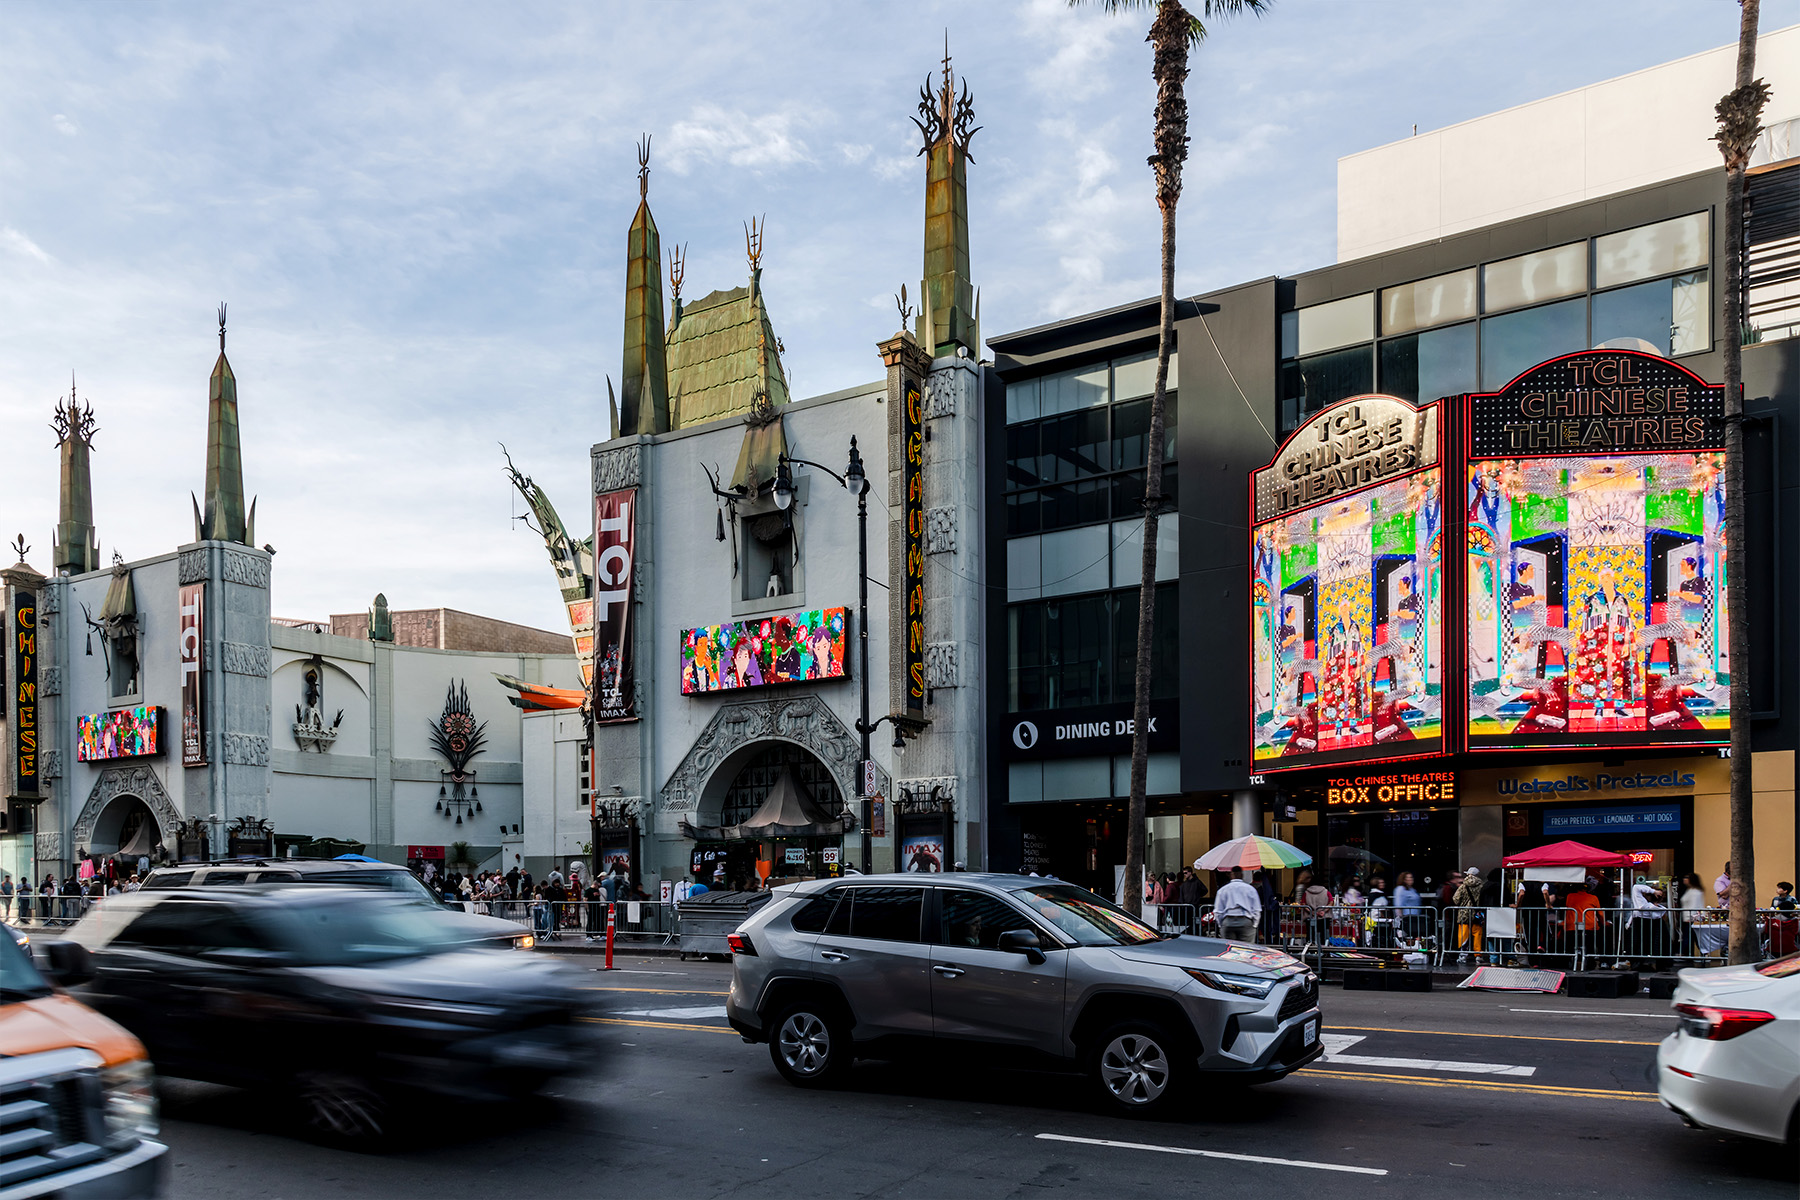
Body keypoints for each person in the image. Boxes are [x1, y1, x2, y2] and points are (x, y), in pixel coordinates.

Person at [1214, 867, 1262, 944]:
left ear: (1231, 875)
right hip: (1245, 920)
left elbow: (1218, 911)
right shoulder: (1250, 889)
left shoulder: (1223, 890)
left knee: (1229, 948)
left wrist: (1221, 924)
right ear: (1242, 875)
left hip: (1228, 920)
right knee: (1247, 948)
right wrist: (1254, 924)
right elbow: (1256, 909)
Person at [1453, 869, 1485, 966]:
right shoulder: (1481, 886)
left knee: (1463, 935)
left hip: (1464, 914)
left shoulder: (1463, 886)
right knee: (1477, 934)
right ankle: (1478, 955)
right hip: (1476, 914)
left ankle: (1463, 955)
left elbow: (1456, 899)